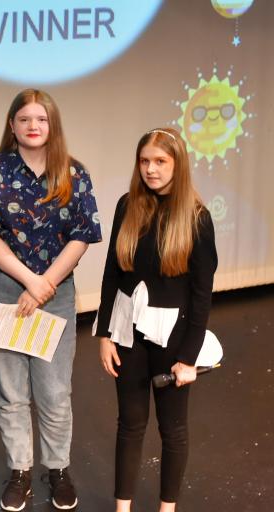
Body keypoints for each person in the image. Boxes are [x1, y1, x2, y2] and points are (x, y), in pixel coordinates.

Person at [0, 89, 102, 511]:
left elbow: (82, 235)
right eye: (24, 118)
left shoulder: (74, 174)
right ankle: (20, 471)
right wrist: (30, 281)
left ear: (52, 125)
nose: (33, 126)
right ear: (11, 125)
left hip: (55, 293)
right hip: (4, 289)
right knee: (11, 392)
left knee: (54, 391)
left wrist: (45, 284)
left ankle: (58, 469)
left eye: (41, 119)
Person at [94, 127, 217, 512]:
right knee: (129, 425)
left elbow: (201, 295)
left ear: (177, 165)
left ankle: (167, 509)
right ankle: (122, 507)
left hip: (174, 343)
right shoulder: (126, 206)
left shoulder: (198, 218)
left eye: (160, 161)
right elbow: (113, 274)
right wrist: (104, 334)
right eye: (144, 161)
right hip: (126, 334)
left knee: (172, 429)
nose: (151, 169)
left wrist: (189, 356)